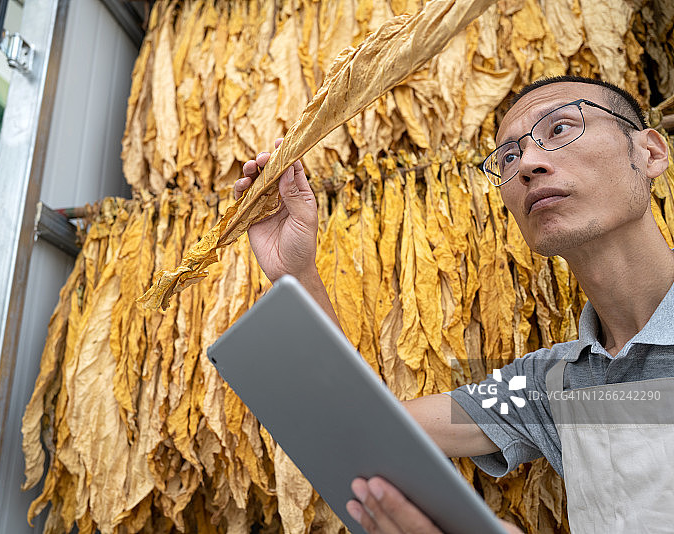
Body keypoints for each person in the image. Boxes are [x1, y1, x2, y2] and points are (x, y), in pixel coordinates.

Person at [233, 75, 674, 534]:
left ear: (650, 152)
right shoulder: (547, 385)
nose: (528, 164)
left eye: (560, 129)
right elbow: (365, 431)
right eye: (509, 156)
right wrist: (296, 274)